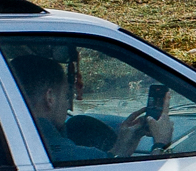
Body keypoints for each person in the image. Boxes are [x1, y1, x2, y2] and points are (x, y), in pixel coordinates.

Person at [10, 54, 172, 162]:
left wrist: (123, 145)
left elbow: (110, 164)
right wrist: (160, 145)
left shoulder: (2, 140)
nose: (68, 106)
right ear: (50, 98)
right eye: (66, 96)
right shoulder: (67, 154)